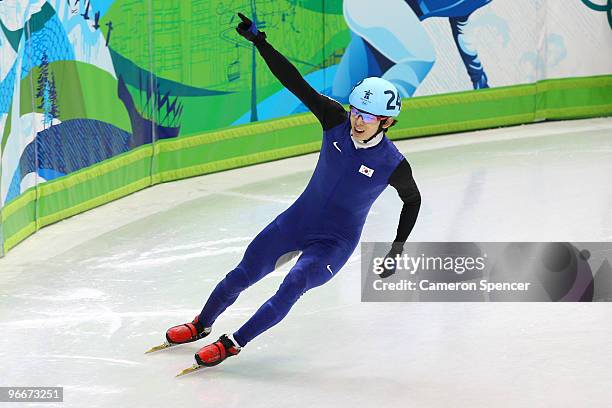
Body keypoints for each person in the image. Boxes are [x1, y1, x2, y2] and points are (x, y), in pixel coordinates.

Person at [163, 13, 422, 368]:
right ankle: (201, 324)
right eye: (355, 110)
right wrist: (260, 42)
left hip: (335, 242)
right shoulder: (334, 119)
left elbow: (413, 199)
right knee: (242, 274)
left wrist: (397, 247)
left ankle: (234, 342)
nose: (357, 120)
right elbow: (295, 82)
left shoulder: (393, 163)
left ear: (387, 122)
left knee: (293, 283)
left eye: (368, 116)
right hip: (297, 221)